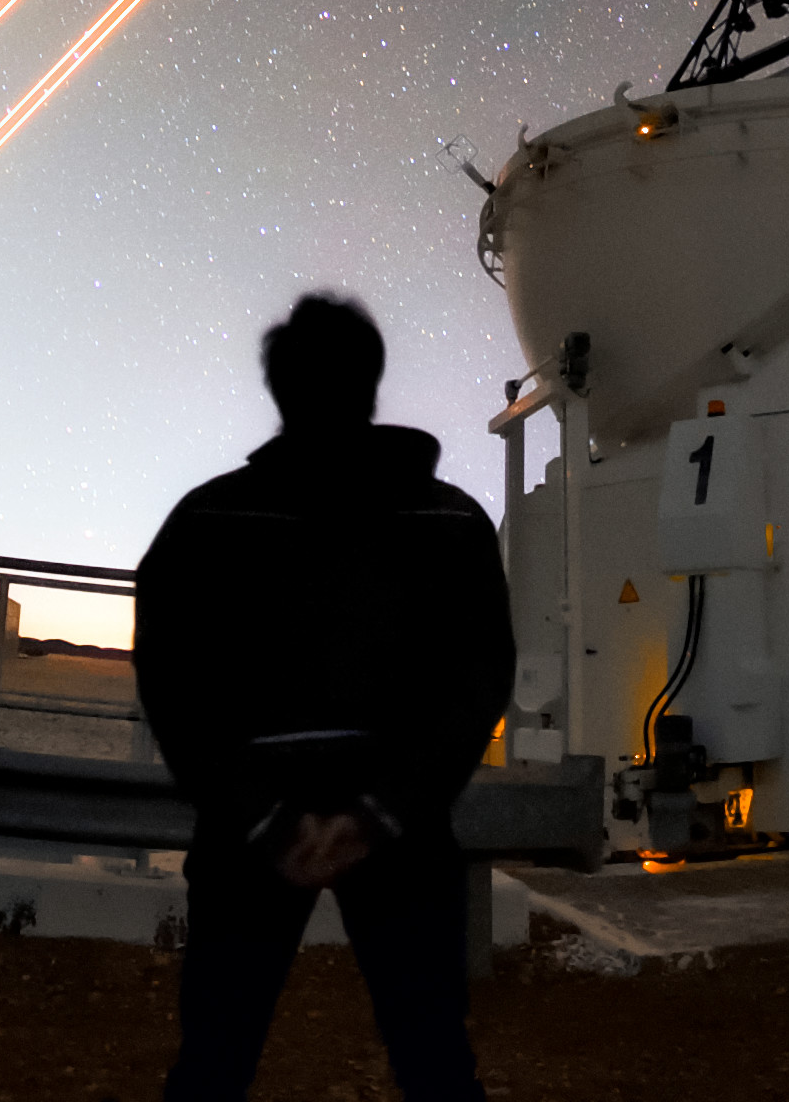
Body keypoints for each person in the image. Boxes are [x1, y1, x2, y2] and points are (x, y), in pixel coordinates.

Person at [135, 293, 514, 1102]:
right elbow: (477, 679)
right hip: (403, 832)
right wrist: (381, 813)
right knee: (435, 1060)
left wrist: (268, 819)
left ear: (276, 389)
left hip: (250, 832)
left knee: (215, 1060)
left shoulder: (206, 523)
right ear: (374, 384)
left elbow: (175, 686)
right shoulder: (450, 524)